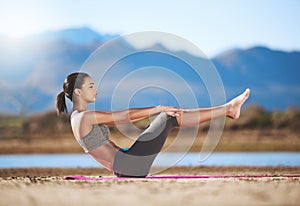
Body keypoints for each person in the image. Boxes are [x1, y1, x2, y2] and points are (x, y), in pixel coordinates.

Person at [56, 72, 250, 177]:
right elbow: (123, 117)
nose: (95, 89)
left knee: (167, 117)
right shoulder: (83, 117)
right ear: (78, 93)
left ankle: (228, 109)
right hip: (129, 166)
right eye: (90, 86)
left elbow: (104, 148)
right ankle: (228, 109)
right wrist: (156, 108)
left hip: (125, 163)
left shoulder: (78, 117)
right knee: (168, 117)